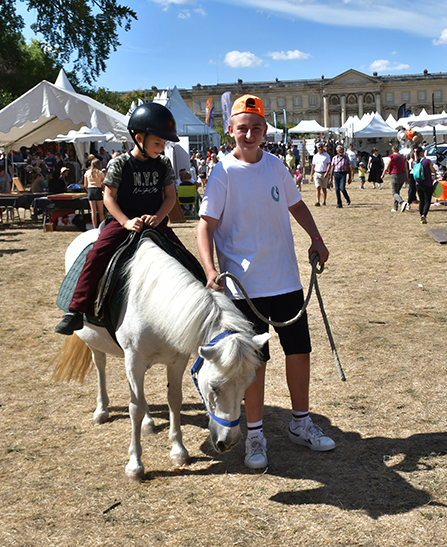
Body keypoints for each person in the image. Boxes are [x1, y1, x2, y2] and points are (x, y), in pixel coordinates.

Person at [196, 94, 335, 471]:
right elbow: (205, 226)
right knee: (253, 363)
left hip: (285, 278)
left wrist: (316, 238)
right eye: (243, 128)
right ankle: (255, 433)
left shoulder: (275, 166)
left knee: (299, 351)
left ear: (265, 130)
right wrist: (211, 271)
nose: (250, 134)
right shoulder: (223, 172)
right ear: (231, 130)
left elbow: (297, 205)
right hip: (244, 287)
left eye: (256, 128)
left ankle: (300, 422)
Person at [55, 102, 181, 335]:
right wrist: (124, 221)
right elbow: (108, 197)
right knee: (96, 254)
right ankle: (76, 310)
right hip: (123, 223)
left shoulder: (163, 164)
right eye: (157, 143)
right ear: (139, 138)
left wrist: (158, 216)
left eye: (164, 144)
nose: (161, 149)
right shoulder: (121, 163)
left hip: (154, 223)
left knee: (182, 257)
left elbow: (170, 196)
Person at [412, 147, 435, 224]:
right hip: (427, 183)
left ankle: (421, 216)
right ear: (421, 152)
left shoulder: (415, 162)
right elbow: (433, 170)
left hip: (418, 183)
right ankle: (424, 215)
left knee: (421, 201)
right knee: (427, 201)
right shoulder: (427, 161)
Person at [383, 144, 409, 213]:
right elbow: (406, 168)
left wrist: (383, 175)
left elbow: (387, 167)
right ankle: (395, 207)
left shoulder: (391, 157)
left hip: (394, 175)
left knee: (394, 192)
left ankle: (402, 202)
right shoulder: (403, 157)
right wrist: (407, 177)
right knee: (397, 191)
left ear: (393, 150)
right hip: (402, 175)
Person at [84, 158, 106, 228]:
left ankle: (94, 227)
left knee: (93, 211)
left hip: (90, 189)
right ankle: (102, 227)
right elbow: (104, 183)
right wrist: (104, 190)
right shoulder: (100, 172)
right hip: (98, 189)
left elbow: (85, 185)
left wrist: (88, 190)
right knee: (101, 211)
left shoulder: (87, 172)